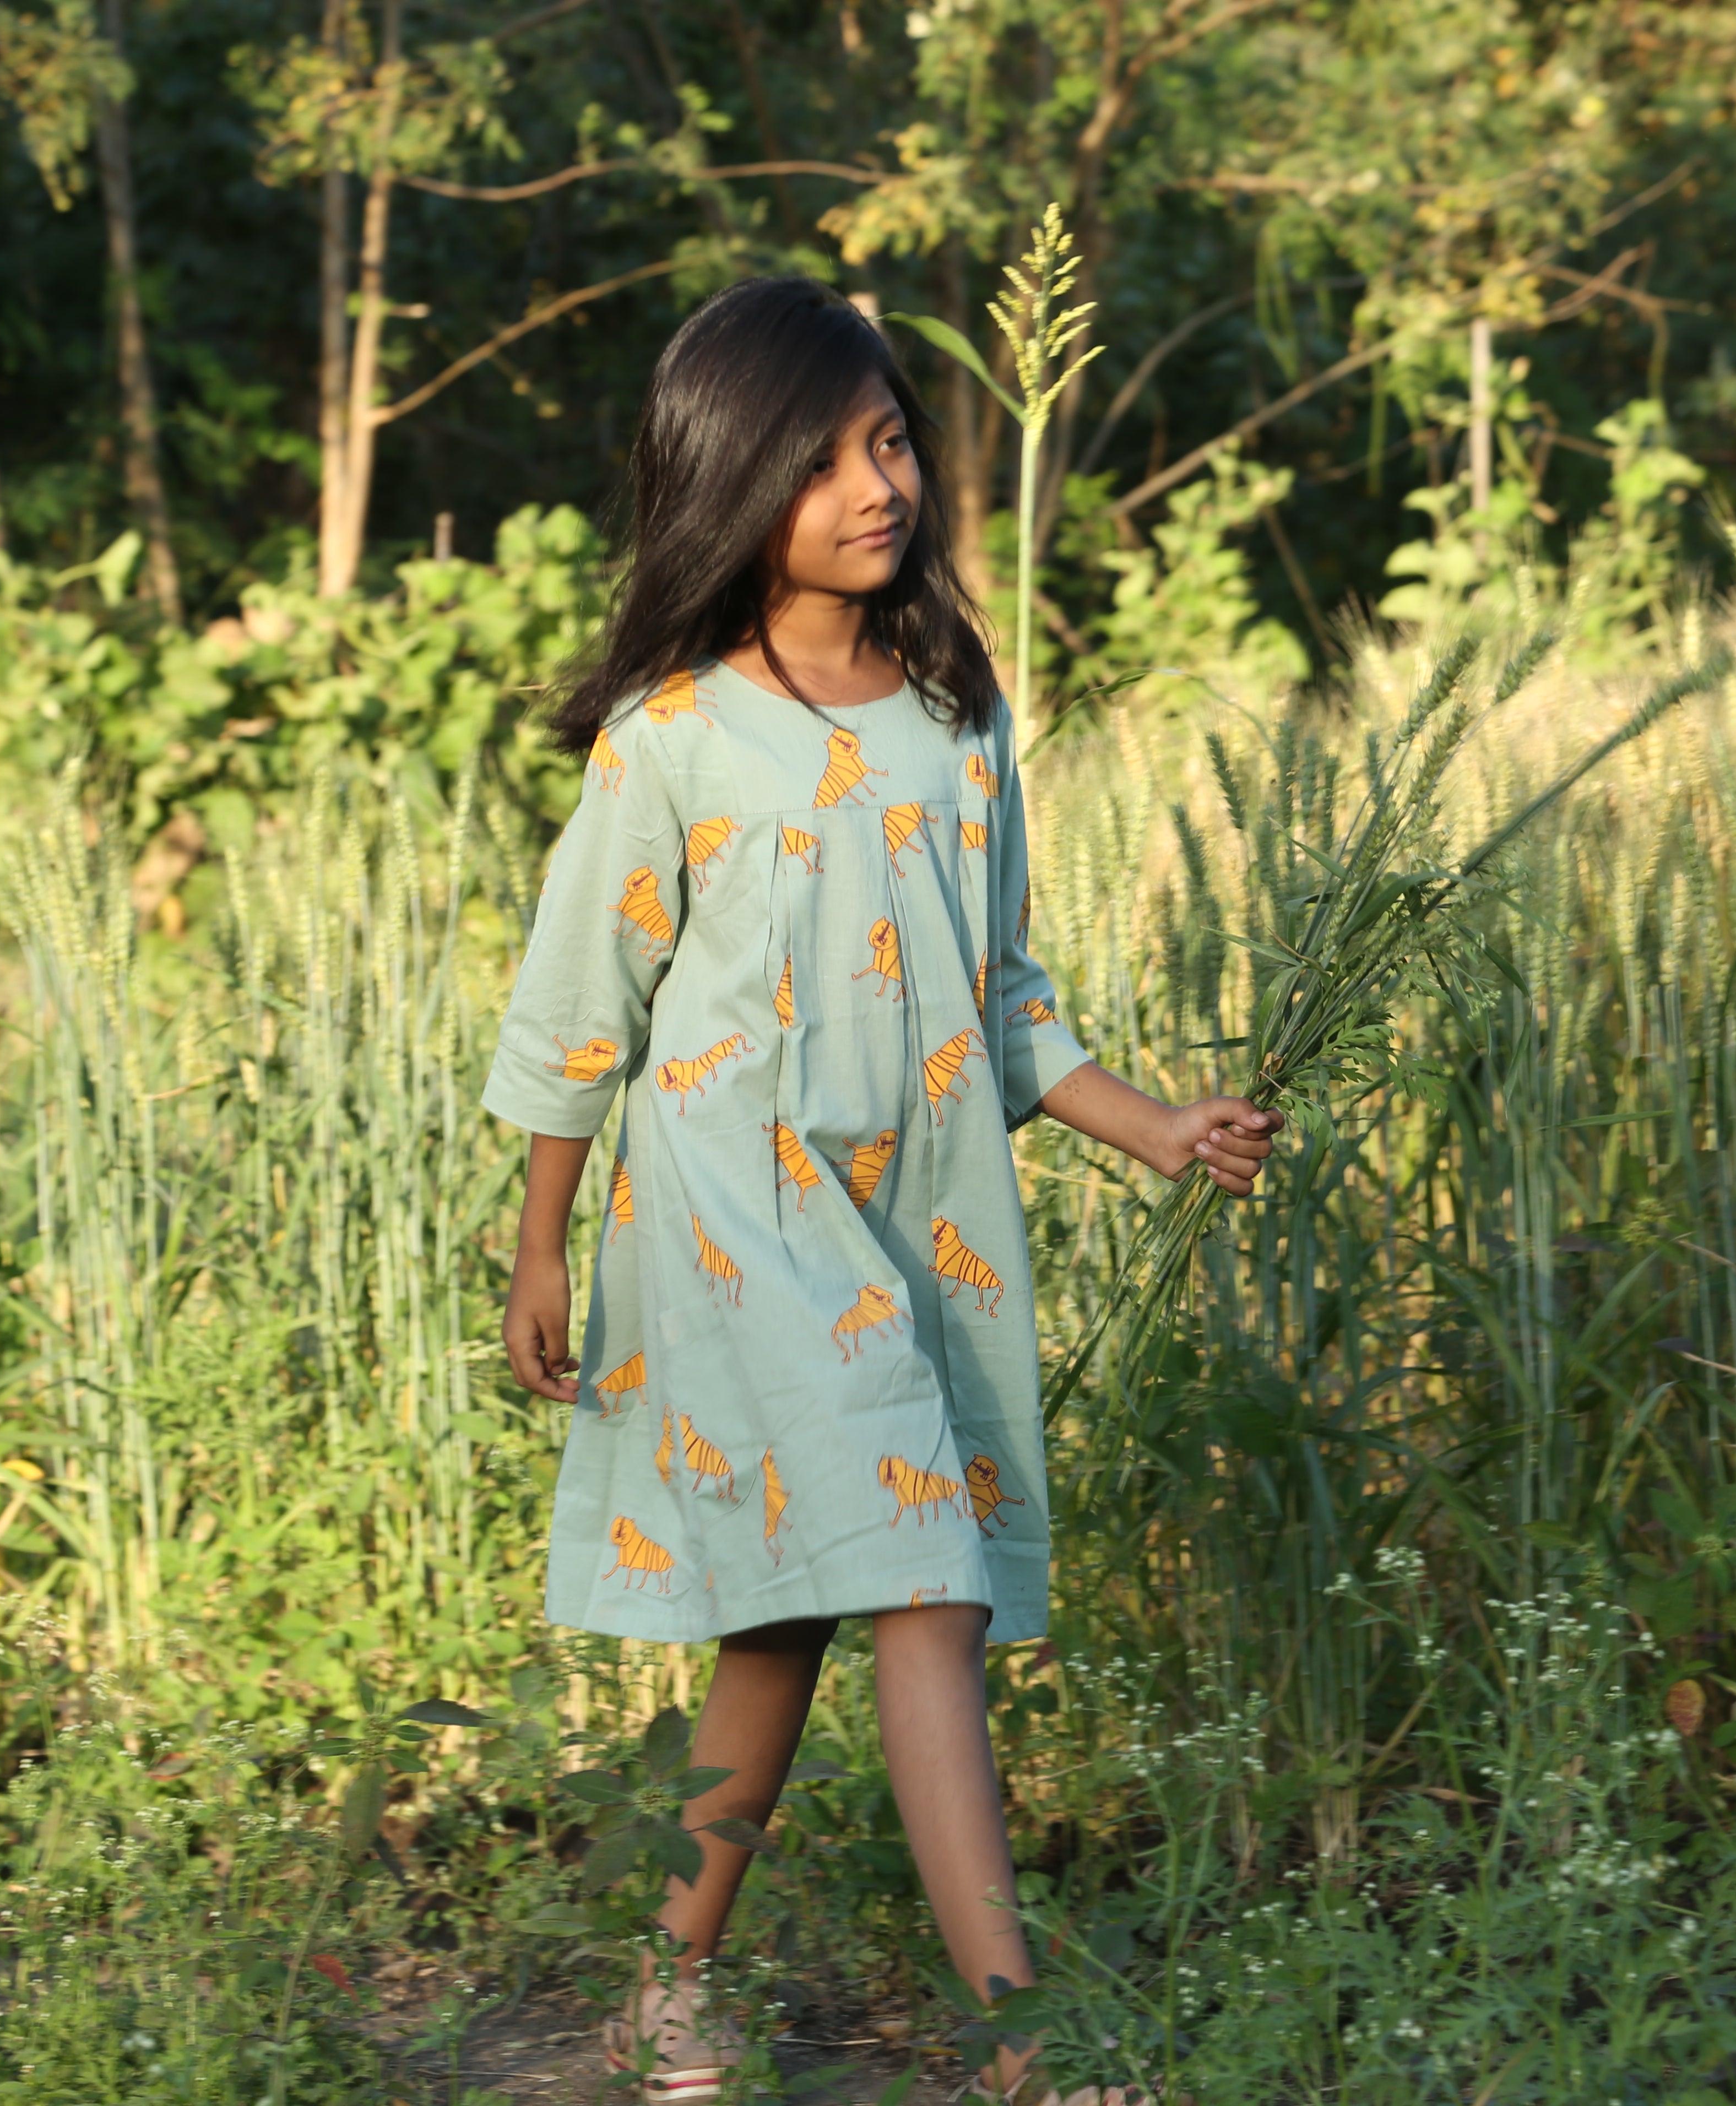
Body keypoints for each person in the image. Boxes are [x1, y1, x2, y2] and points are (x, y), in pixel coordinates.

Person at [487, 276, 1281, 2106]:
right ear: (728, 479)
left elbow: (1001, 998)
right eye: (826, 455)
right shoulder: (674, 738)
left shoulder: (956, 718)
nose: (878, 485)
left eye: (894, 440)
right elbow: (576, 1004)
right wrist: (541, 1242)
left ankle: (665, 1987)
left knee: (783, 1613)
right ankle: (1019, 2048)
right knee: (925, 1578)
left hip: (918, 1212)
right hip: (728, 1202)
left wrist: (1155, 1124)